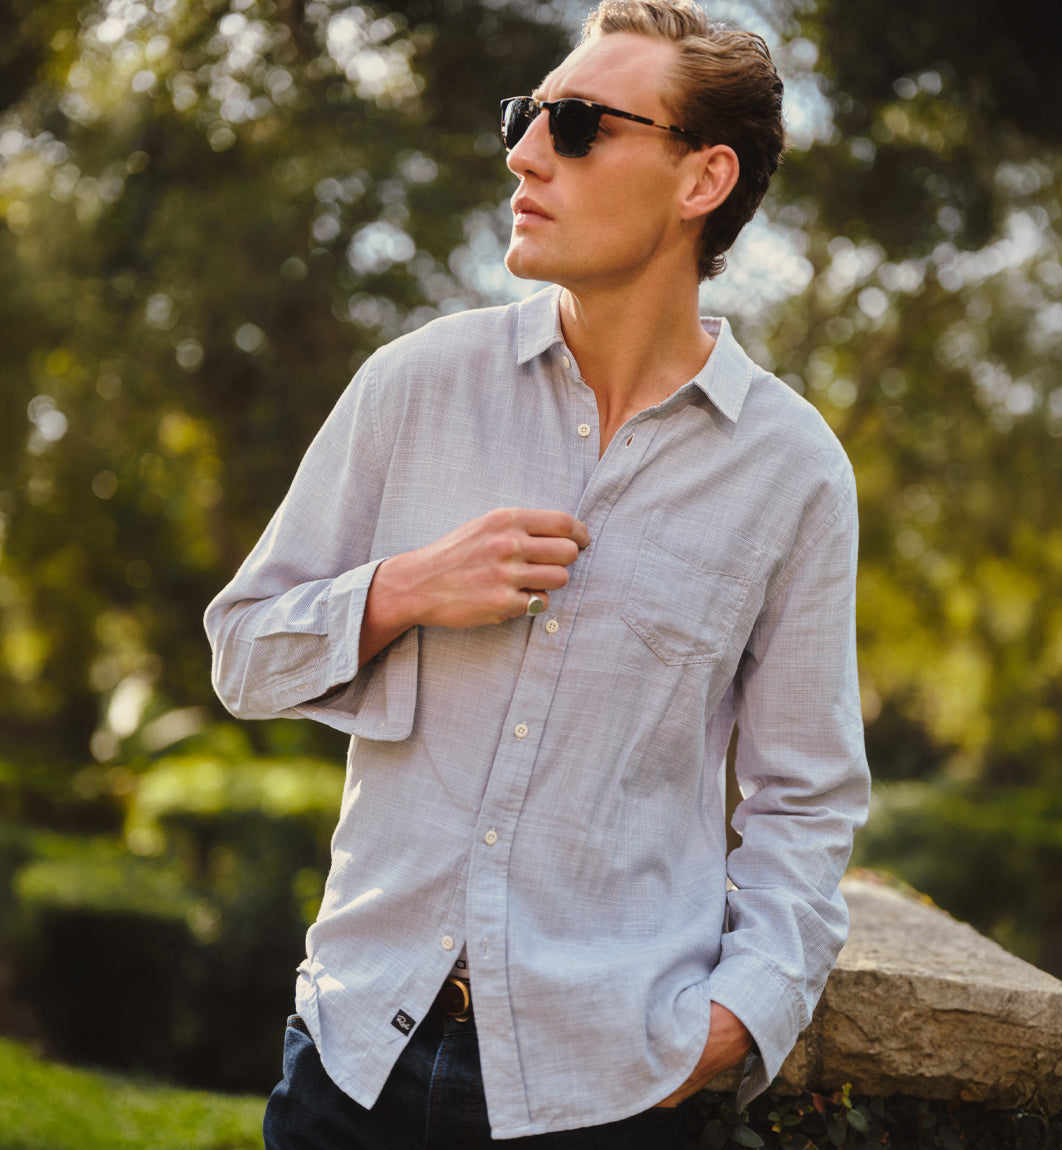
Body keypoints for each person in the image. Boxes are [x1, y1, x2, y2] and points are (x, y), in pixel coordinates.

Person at [205, 1, 870, 1145]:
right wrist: (405, 588)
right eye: (525, 116)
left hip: (603, 1093)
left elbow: (805, 797)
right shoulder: (414, 384)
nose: (519, 150)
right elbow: (242, 655)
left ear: (700, 178)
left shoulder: (793, 471)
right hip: (352, 1062)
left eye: (571, 122)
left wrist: (736, 1017)